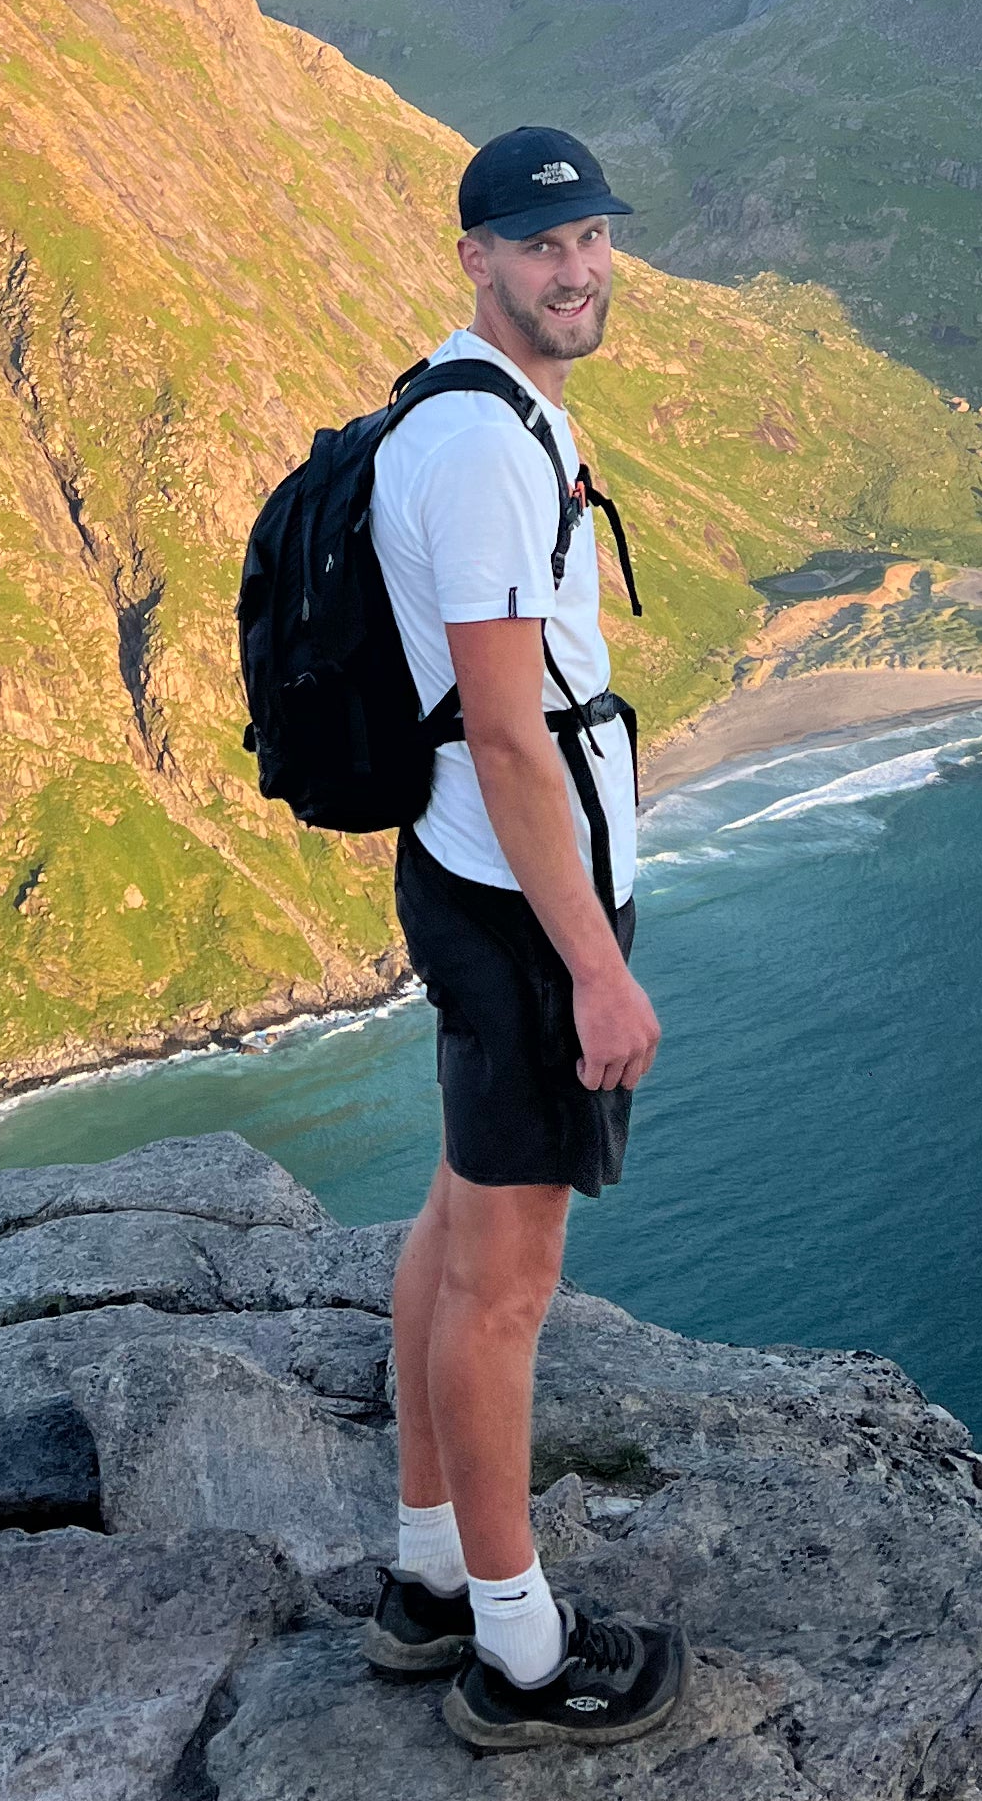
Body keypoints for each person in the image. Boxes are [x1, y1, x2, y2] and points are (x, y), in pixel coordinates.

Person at [363, 123, 687, 1753]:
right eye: (541, 244)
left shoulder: (458, 405)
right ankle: (519, 1653)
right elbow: (505, 732)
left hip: (474, 880)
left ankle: (428, 1569)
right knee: (508, 1287)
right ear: (475, 255)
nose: (579, 268)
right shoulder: (486, 448)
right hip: (517, 902)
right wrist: (597, 966)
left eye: (593, 240)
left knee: (452, 1220)